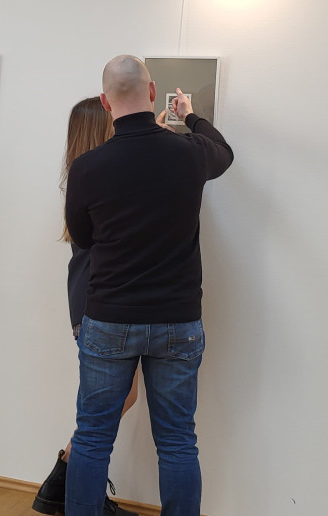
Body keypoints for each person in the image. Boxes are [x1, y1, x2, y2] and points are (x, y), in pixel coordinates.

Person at [63, 55, 233, 516]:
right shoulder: (190, 153)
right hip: (178, 321)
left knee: (92, 437)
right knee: (177, 441)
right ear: (153, 92)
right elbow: (224, 151)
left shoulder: (87, 167)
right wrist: (190, 116)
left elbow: (83, 238)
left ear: (105, 102)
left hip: (109, 319)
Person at [32, 98, 140, 516]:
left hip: (90, 296)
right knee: (108, 404)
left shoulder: (85, 177)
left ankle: (63, 480)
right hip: (98, 300)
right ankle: (74, 490)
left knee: (116, 399)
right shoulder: (98, 178)